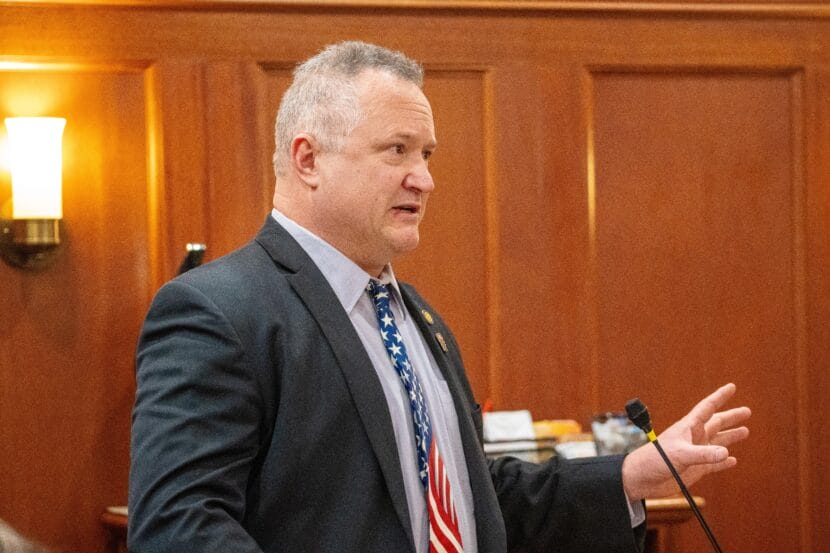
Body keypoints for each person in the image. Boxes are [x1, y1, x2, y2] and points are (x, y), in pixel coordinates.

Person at [128, 41, 751, 553]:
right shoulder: (218, 311)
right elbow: (180, 527)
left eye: (426, 154)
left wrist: (630, 475)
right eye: (396, 150)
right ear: (308, 159)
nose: (424, 178)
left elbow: (466, 496)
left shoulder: (415, 316)